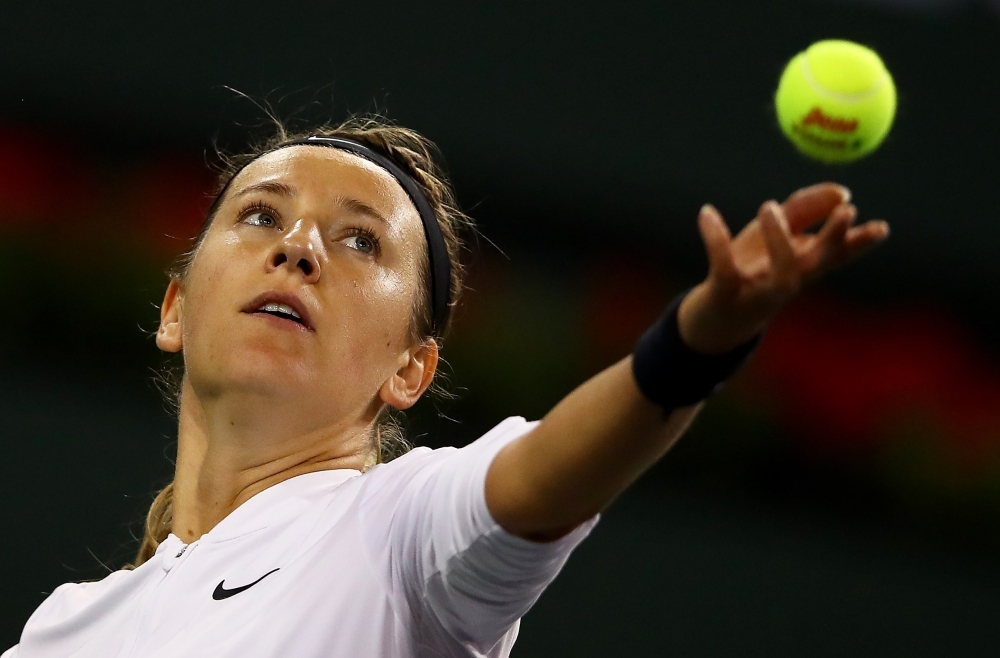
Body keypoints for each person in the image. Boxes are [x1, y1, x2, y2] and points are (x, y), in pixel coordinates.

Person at [3, 116, 888, 658]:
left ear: (410, 370)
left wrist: (702, 337)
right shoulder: (63, 632)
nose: (298, 246)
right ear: (175, 311)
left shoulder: (399, 531)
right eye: (260, 214)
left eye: (361, 242)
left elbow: (548, 477)